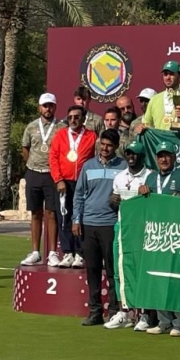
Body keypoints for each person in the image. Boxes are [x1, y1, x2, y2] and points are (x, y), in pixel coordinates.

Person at [73, 129, 127, 326]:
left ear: (116, 147)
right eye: (103, 144)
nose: (105, 148)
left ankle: (114, 311)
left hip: (111, 225)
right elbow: (79, 195)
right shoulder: (88, 166)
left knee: (112, 270)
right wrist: (76, 219)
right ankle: (95, 311)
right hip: (89, 224)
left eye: (109, 145)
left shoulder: (123, 167)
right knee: (93, 270)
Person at [140, 140, 180, 337]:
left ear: (174, 157)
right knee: (158, 277)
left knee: (176, 278)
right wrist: (141, 191)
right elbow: (144, 202)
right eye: (160, 155)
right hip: (156, 235)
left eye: (167, 155)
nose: (163, 158)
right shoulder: (151, 178)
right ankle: (163, 321)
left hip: (178, 234)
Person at [104, 140, 153, 329]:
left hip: (141, 230)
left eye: (135, 154)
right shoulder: (119, 177)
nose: (131, 157)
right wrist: (113, 201)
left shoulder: (150, 176)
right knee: (119, 270)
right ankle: (124, 311)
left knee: (141, 271)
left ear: (141, 156)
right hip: (121, 227)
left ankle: (144, 314)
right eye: (128, 153)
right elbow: (116, 201)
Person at [49, 105, 98, 268]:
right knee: (65, 217)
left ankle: (80, 253)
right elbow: (53, 158)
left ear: (83, 118)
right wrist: (58, 180)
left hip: (83, 182)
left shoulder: (91, 136)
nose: (73, 120)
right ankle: (68, 252)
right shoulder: (60, 135)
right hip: (64, 182)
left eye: (76, 117)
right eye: (69, 117)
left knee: (81, 217)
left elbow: (95, 159)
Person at [21, 93, 62, 266]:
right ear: (40, 107)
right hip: (34, 173)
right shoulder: (31, 127)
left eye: (51, 105)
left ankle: (52, 252)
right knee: (35, 213)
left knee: (51, 213)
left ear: (55, 107)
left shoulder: (61, 127)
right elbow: (25, 148)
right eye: (45, 106)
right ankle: (35, 252)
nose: (48, 109)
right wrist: (32, 164)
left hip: (52, 174)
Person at [140, 61, 180, 131]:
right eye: (165, 74)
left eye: (171, 74)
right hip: (160, 141)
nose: (168, 78)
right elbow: (146, 125)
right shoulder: (154, 100)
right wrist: (140, 127)